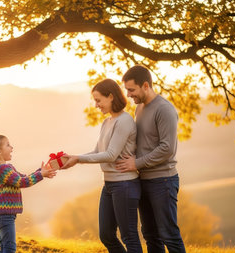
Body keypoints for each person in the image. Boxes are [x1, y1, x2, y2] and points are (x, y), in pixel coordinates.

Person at [61, 79, 142, 253]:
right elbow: (98, 151)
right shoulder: (107, 122)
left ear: (111, 96)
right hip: (110, 185)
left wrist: (78, 159)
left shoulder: (125, 121)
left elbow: (111, 155)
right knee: (106, 235)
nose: (96, 105)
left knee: (129, 237)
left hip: (125, 184)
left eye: (98, 100)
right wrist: (74, 158)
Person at [116, 65, 186, 253]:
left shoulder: (164, 109)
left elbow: (167, 148)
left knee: (169, 234)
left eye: (131, 89)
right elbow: (143, 142)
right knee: (150, 235)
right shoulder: (140, 107)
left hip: (163, 181)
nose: (128, 94)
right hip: (144, 180)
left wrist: (136, 163)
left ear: (145, 85)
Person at [0, 135, 57, 253]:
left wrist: (40, 171)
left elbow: (23, 177)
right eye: (8, 145)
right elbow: (22, 182)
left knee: (5, 247)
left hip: (3, 213)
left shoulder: (6, 167)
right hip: (4, 215)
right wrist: (41, 175)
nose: (11, 148)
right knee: (9, 248)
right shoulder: (2, 169)